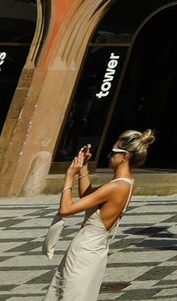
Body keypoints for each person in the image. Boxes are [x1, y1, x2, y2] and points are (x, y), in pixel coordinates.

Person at [47, 129, 152, 301]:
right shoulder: (128, 183)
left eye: (113, 152)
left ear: (125, 156)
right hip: (97, 250)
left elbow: (65, 210)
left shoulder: (114, 187)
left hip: (84, 249)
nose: (108, 156)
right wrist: (83, 168)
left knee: (67, 294)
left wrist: (69, 176)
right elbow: (88, 196)